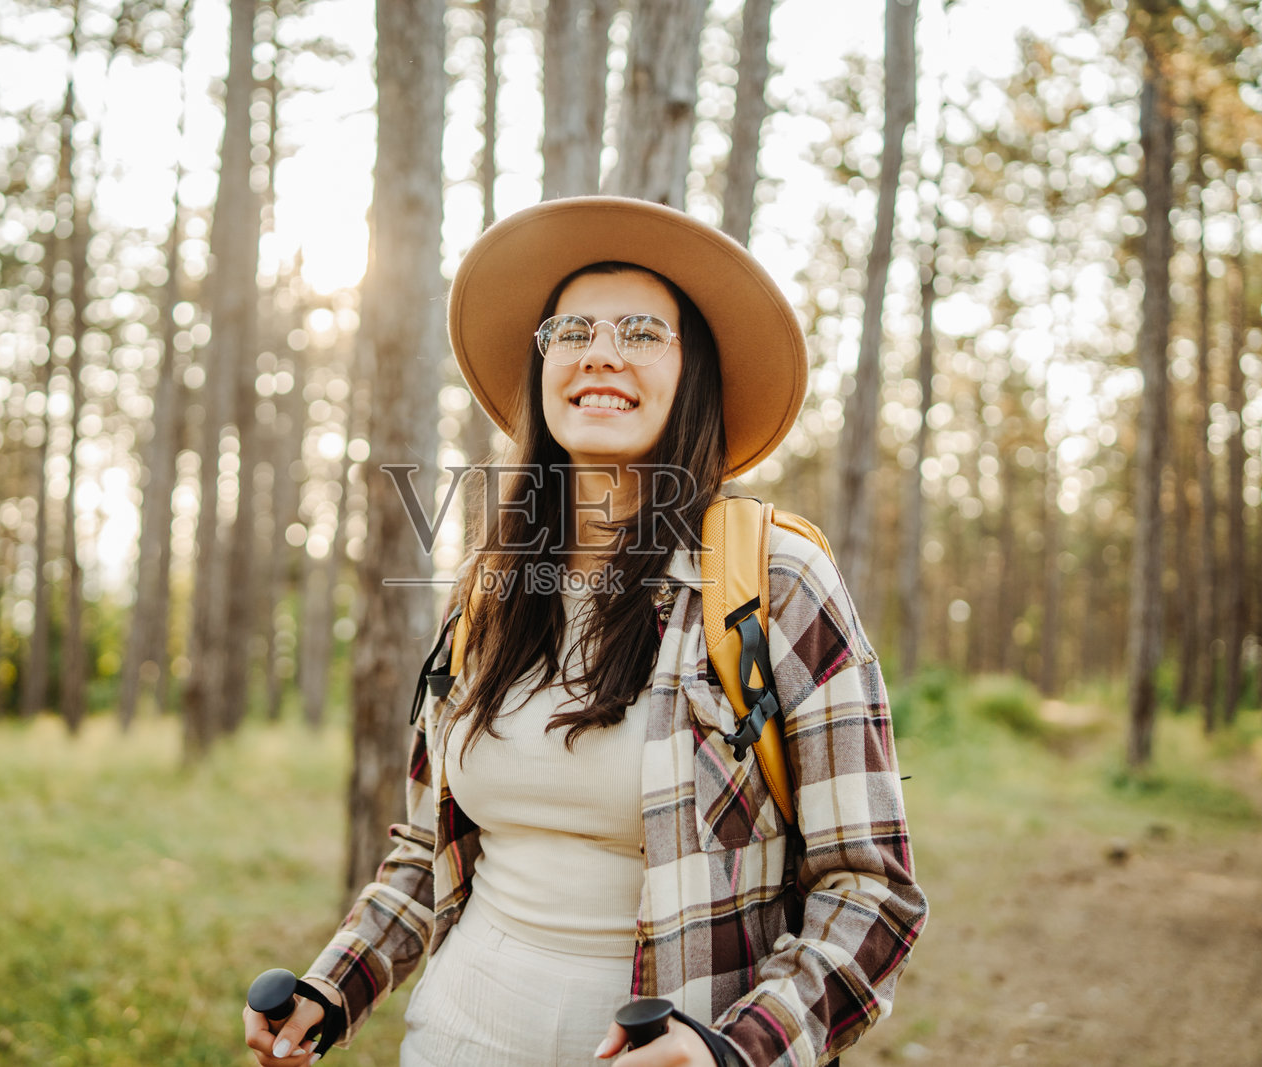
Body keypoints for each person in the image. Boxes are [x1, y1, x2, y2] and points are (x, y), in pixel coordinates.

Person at [243, 196, 927, 1067]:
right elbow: (428, 851)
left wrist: (734, 1049)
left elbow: (872, 889)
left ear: (693, 376)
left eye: (643, 333)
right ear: (542, 370)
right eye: (570, 332)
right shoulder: (488, 590)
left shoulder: (774, 581)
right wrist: (332, 988)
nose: (601, 351)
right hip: (452, 1040)